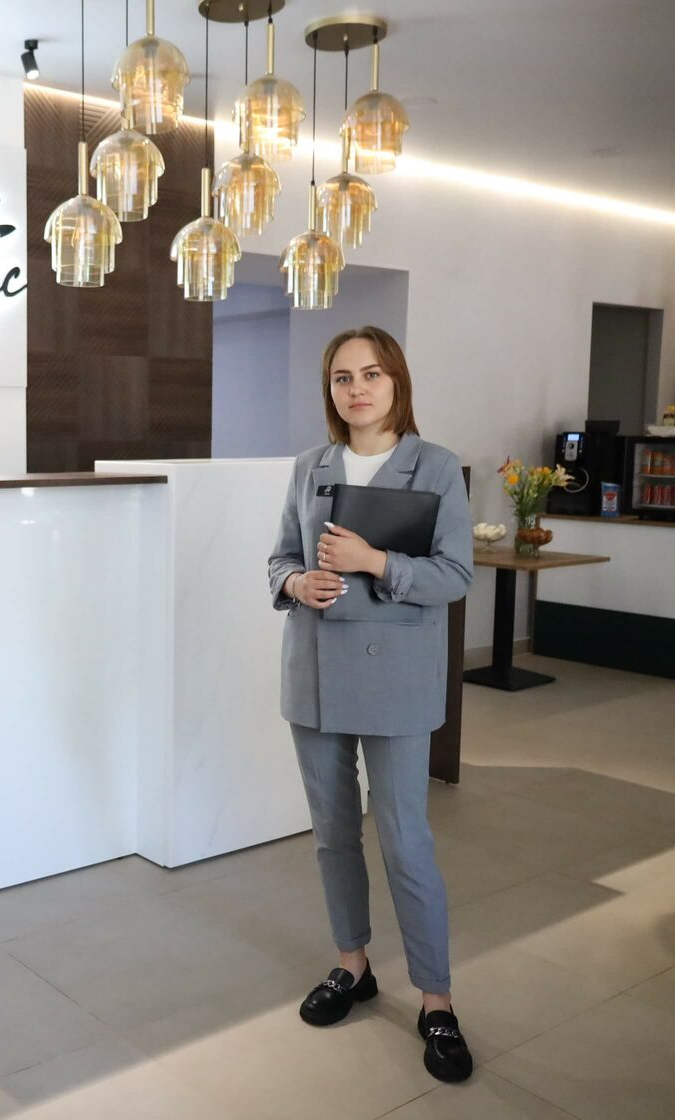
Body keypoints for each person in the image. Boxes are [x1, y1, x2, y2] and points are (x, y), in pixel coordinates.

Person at [266, 325, 476, 1083]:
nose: (357, 389)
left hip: (397, 679)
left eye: (372, 375)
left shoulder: (435, 466)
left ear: (397, 382)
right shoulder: (310, 467)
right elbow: (279, 559)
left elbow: (455, 574)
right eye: (342, 378)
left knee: (405, 841)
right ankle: (352, 964)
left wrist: (373, 561)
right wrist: (298, 583)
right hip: (316, 676)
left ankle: (436, 999)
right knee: (332, 835)